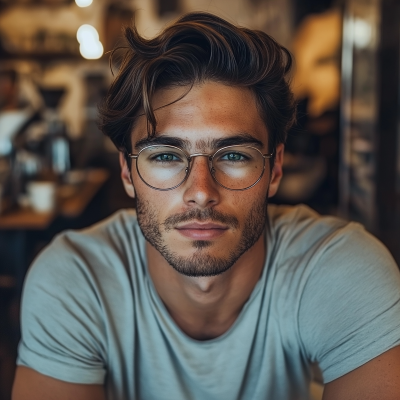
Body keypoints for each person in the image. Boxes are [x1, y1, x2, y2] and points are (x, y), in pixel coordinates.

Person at [12, 12, 400, 400]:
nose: (200, 192)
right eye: (165, 156)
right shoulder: (75, 281)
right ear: (127, 173)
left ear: (275, 167)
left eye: (233, 155)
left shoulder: (341, 270)